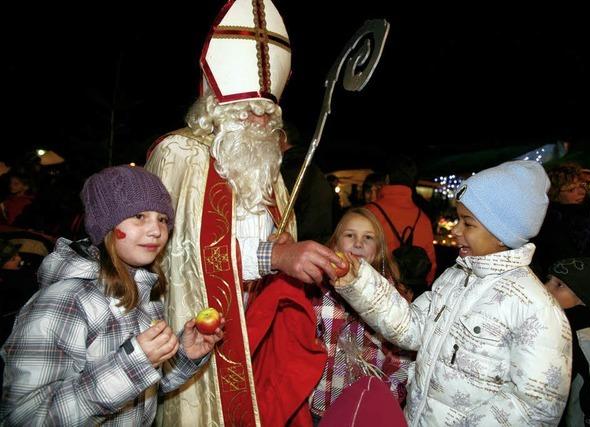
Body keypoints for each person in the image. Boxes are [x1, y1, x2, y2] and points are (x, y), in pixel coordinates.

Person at [145, 1, 343, 424]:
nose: (259, 121)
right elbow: (178, 254)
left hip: (259, 330)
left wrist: (292, 253)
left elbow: (281, 236)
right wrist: (276, 257)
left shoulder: (267, 165)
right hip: (198, 339)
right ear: (216, 107)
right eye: (247, 109)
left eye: (268, 112)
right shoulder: (180, 153)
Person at [330, 160, 572, 425]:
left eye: (467, 223)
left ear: (502, 233)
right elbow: (412, 327)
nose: (455, 230)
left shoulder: (535, 308)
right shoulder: (455, 278)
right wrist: (360, 281)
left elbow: (533, 408)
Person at [0, 165, 223, 425]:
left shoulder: (146, 295)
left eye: (162, 218)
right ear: (106, 225)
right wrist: (132, 364)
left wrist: (184, 354)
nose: (156, 230)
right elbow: (24, 418)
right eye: (139, 216)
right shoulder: (66, 301)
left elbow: (144, 392)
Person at [308, 208, 411, 423]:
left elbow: (401, 360)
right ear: (335, 245)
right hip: (316, 408)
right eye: (350, 235)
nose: (358, 243)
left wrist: (382, 399)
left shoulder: (392, 301)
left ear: (379, 250)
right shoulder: (316, 291)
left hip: (363, 413)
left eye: (368, 237)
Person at [543, 257, 590, 426]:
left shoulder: (589, 344)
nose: (546, 287)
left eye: (559, 285)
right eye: (548, 279)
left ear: (583, 298)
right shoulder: (550, 324)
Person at [366, 155, 437, 287]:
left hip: (372, 291)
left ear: (387, 179)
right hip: (407, 294)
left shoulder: (368, 213)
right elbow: (430, 265)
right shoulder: (423, 218)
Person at [531, 162, 590, 277]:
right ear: (555, 194)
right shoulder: (551, 223)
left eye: (581, 186)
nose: (581, 192)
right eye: (571, 190)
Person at [280, 123, 335, 243]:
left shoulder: (291, 169)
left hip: (302, 244)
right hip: (318, 240)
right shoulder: (309, 166)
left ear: (282, 137)